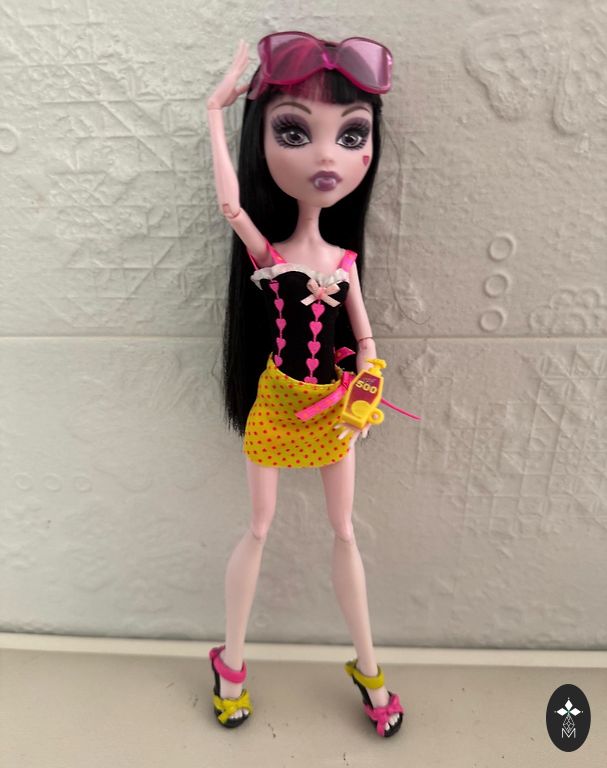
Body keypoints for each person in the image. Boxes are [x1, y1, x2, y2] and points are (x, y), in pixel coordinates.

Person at [206, 31, 404, 737]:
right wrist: (214, 112)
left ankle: (368, 665)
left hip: (332, 409)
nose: (327, 157)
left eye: (351, 135)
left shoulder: (344, 261)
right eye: (296, 131)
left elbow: (366, 342)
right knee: (258, 526)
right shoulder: (268, 255)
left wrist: (366, 390)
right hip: (277, 404)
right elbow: (232, 208)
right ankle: (230, 662)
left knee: (344, 529)